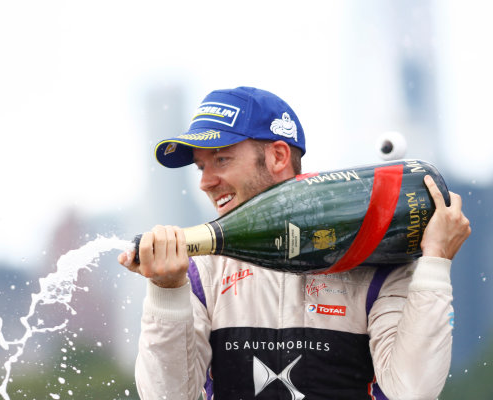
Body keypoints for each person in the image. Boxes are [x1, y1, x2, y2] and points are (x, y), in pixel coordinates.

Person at [117, 86, 471, 400]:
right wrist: (167, 292)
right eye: (200, 167)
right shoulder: (197, 274)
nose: (206, 182)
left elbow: (413, 390)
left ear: (278, 157)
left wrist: (436, 262)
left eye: (222, 159)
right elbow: (168, 396)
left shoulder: (374, 256)